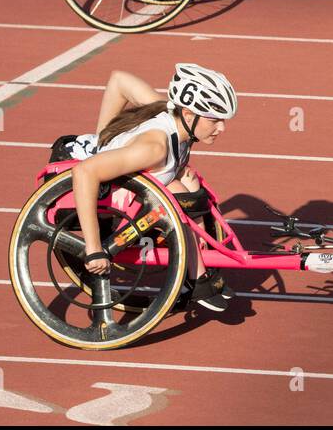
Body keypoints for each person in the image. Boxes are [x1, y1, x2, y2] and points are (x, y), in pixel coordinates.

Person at [70, 63, 237, 312]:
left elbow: (119, 78)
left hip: (126, 177)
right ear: (189, 115)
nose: (222, 128)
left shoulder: (169, 111)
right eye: (215, 120)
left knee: (190, 189)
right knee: (179, 199)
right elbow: (84, 171)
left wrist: (102, 138)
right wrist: (93, 248)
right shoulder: (154, 148)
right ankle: (196, 278)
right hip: (105, 201)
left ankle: (197, 270)